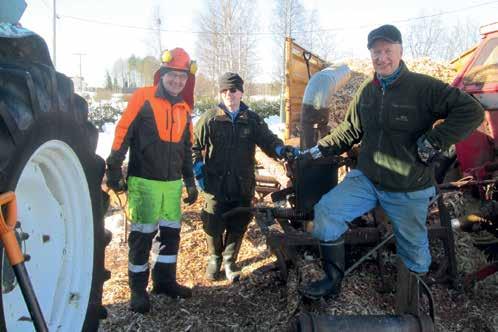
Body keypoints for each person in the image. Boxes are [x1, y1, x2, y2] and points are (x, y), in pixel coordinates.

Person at [300, 24, 484, 300]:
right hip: (368, 178)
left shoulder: (423, 87)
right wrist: (316, 150)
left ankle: (410, 303)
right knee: (326, 213)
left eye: (387, 50)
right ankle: (333, 279)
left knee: (414, 252)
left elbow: (471, 111)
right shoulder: (367, 91)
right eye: (376, 52)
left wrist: (436, 140)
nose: (381, 57)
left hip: (406, 185)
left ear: (400, 50)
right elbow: (350, 130)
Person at [106, 48, 199, 313]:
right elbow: (123, 130)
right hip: (144, 182)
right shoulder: (143, 97)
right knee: (142, 237)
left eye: (182, 77)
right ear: (163, 74)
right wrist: (113, 166)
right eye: (173, 75)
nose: (177, 81)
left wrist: (190, 181)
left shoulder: (184, 108)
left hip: (171, 186)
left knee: (170, 235)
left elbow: (186, 147)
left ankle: (164, 282)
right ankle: (137, 290)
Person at [192, 72, 298, 282]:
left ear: (241, 92)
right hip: (215, 183)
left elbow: (267, 140)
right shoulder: (209, 119)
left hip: (242, 182)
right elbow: (193, 147)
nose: (228, 94)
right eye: (224, 90)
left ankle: (230, 261)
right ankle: (215, 258)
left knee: (239, 222)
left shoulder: (251, 119)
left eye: (233, 90)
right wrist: (198, 170)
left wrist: (280, 149)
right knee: (213, 221)